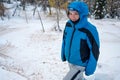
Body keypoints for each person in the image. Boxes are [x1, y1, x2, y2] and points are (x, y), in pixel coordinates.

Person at [61, 1, 100, 80]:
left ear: (82, 14)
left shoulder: (90, 29)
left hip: (80, 64)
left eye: (76, 13)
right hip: (70, 60)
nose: (72, 16)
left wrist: (90, 68)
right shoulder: (68, 25)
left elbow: (94, 50)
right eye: (70, 13)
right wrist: (63, 54)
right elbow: (64, 40)